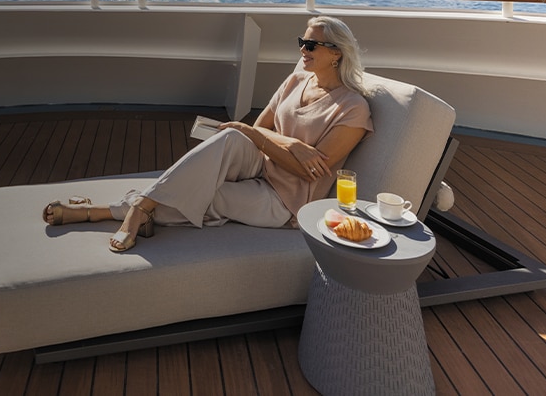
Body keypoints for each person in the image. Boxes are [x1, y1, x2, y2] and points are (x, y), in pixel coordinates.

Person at [42, 15, 373, 252]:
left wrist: (262, 137)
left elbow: (307, 169)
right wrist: (288, 141)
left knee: (202, 194)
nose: (303, 49)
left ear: (337, 53)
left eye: (311, 44)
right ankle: (138, 208)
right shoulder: (296, 80)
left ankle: (109, 210)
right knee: (231, 138)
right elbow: (259, 131)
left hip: (286, 201)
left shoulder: (352, 108)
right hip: (263, 163)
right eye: (302, 41)